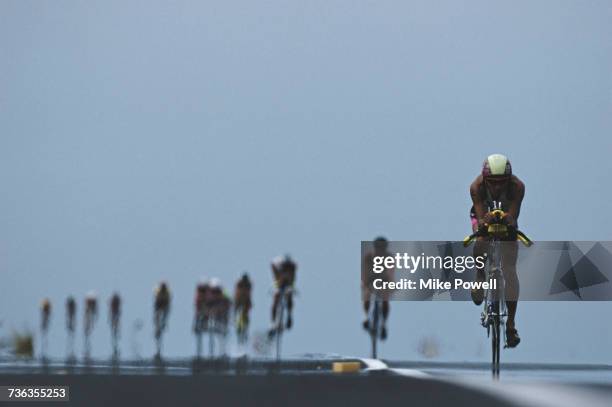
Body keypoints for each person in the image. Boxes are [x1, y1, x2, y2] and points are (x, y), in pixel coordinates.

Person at [469, 153, 525, 348]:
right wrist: (484, 222)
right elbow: (479, 213)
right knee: (482, 239)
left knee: (509, 269)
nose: (498, 186)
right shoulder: (476, 187)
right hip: (483, 214)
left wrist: (509, 220)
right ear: (485, 180)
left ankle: (511, 324)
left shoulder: (518, 187)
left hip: (506, 217)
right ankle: (479, 275)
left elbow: (514, 213)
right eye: (493, 182)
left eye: (502, 182)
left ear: (509, 179)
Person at [361, 237, 393, 340]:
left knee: (385, 299)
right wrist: (365, 282)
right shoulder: (368, 257)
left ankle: (383, 324)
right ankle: (366, 317)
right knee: (367, 294)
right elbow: (365, 272)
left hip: (384, 280)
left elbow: (390, 272)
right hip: (371, 280)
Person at [270, 254, 297, 333]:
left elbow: (293, 278)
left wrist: (291, 287)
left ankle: (289, 316)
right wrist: (277, 282)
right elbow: (274, 271)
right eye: (285, 266)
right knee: (276, 299)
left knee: (289, 296)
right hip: (279, 282)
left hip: (288, 283)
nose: (286, 268)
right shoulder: (277, 264)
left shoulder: (293, 266)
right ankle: (273, 323)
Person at [234, 273, 252, 339]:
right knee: (237, 313)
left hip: (246, 300)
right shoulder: (239, 283)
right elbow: (236, 293)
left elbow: (249, 294)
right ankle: (238, 326)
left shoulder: (249, 284)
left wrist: (249, 302)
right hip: (239, 300)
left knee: (246, 315)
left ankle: (245, 327)